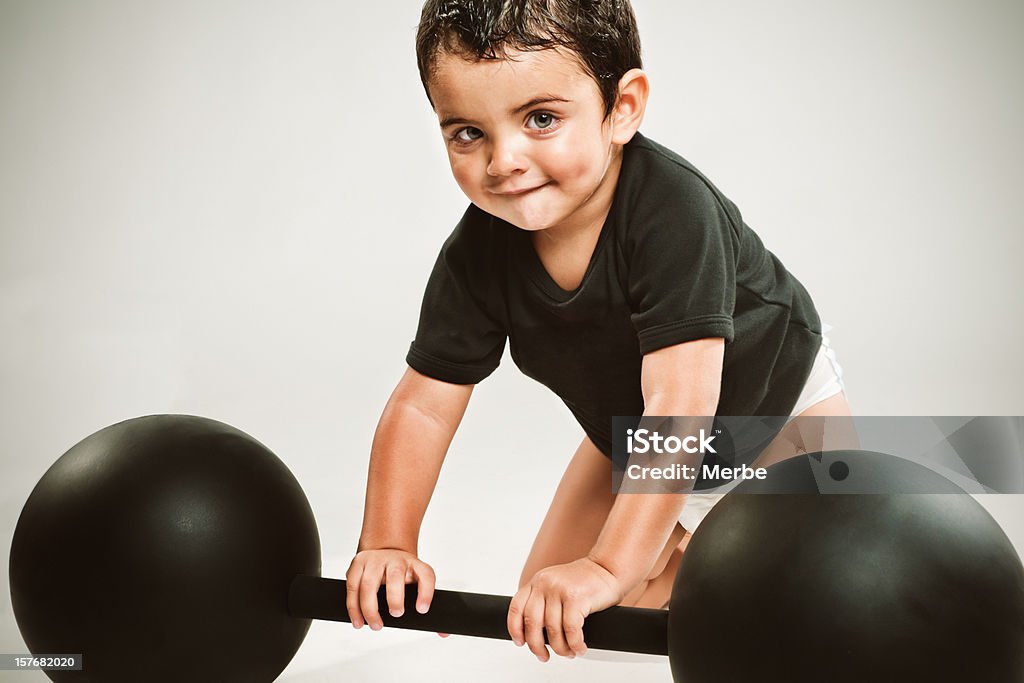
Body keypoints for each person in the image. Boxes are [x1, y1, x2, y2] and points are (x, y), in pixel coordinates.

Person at [345, 0, 852, 663]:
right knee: (552, 622)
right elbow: (424, 405)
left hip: (775, 426)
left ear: (623, 107)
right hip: (637, 432)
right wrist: (388, 541)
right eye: (468, 132)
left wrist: (611, 566)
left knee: (750, 626)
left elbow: (682, 404)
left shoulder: (673, 213)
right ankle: (669, 548)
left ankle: (693, 551)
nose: (504, 162)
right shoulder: (478, 254)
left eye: (541, 119)